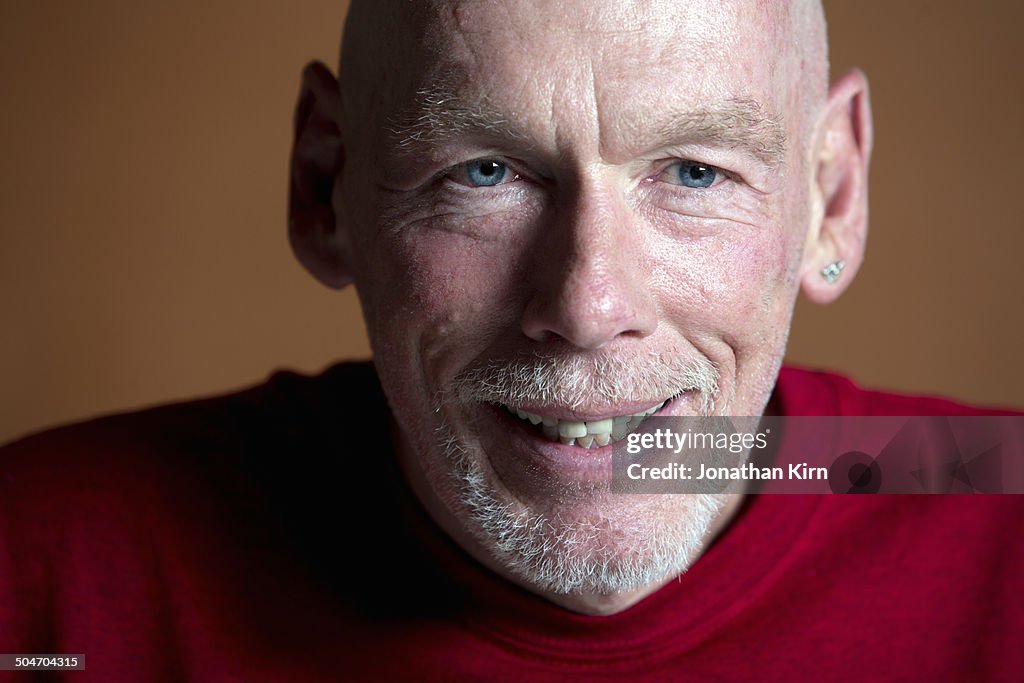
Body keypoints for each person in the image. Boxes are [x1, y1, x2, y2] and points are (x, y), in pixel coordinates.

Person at [1, 1, 1020, 680]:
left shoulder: (1000, 509)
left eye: (695, 172)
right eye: (484, 171)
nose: (586, 303)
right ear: (328, 190)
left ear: (831, 196)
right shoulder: (40, 570)